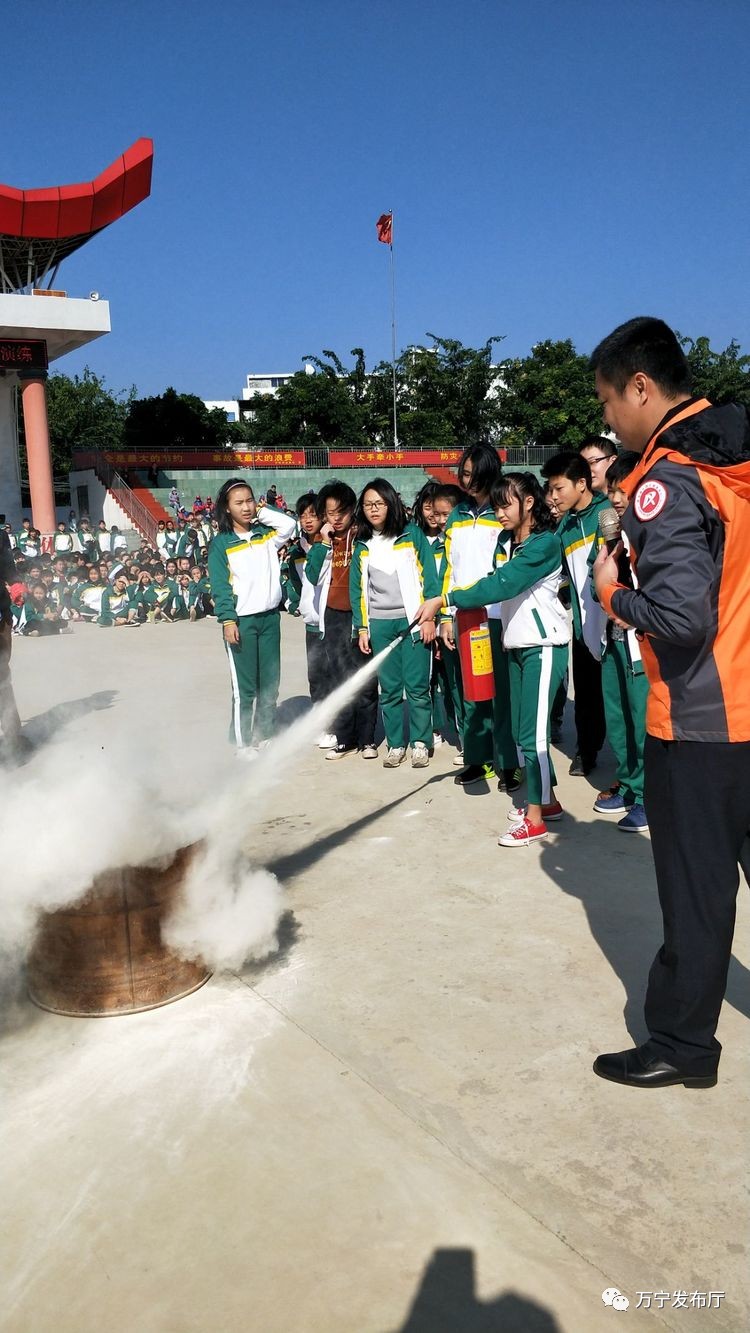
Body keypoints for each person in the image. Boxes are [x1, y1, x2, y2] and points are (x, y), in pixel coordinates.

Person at [590, 315, 750, 1090]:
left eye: (609, 401)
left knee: (695, 892)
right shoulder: (733, 456)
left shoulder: (667, 479)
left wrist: (613, 591)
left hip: (700, 721)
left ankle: (683, 1046)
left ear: (642, 387)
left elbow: (684, 616)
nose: (607, 420)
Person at [418, 473, 569, 845]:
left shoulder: (544, 545)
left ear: (529, 503)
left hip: (542, 646)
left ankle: (535, 819)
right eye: (497, 505)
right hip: (514, 645)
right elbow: (493, 581)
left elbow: (503, 585)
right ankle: (546, 801)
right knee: (521, 732)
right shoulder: (507, 542)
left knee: (533, 737)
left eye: (505, 505)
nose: (499, 513)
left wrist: (446, 599)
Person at [441, 443, 518, 791]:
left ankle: (509, 763)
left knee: (502, 693)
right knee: (472, 692)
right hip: (465, 616)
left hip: (499, 616)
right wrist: (445, 615)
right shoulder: (457, 515)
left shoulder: (503, 514)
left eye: (473, 473)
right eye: (464, 473)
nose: (467, 480)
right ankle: (478, 759)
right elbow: (449, 569)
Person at [350, 479, 439, 768]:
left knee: (416, 687)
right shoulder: (362, 544)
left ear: (391, 504)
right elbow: (358, 590)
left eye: (379, 503)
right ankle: (396, 744)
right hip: (380, 624)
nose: (373, 509)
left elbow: (430, 579)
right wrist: (363, 627)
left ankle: (420, 743)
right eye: (367, 505)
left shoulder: (411, 536)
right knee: (388, 689)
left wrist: (429, 618)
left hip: (413, 621)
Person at [207, 478, 296, 754]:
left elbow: (289, 525)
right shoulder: (221, 545)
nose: (246, 507)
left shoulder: (266, 536)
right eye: (239, 503)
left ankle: (265, 733)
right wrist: (228, 620)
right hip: (242, 622)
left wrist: (261, 511)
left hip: (270, 619)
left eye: (249, 501)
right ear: (226, 508)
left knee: (270, 683)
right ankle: (243, 743)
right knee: (245, 689)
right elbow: (220, 586)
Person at [589, 451, 649, 832]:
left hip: (641, 641)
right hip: (612, 638)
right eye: (612, 490)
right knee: (619, 716)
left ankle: (648, 796)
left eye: (623, 489)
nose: (615, 498)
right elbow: (598, 587)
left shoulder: (651, 533)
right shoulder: (610, 535)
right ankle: (628, 785)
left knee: (642, 719)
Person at [541, 452, 608, 777]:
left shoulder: (608, 513)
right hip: (583, 626)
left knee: (622, 700)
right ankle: (587, 751)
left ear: (581, 484)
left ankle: (634, 777)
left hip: (617, 623)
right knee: (586, 695)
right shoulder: (564, 528)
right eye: (550, 490)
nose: (553, 497)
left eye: (558, 488)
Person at [304, 480, 379, 760]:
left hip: (360, 616)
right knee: (338, 679)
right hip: (333, 617)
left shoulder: (364, 537)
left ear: (352, 510)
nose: (335, 518)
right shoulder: (323, 542)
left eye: (341, 512)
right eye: (329, 513)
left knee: (365, 677)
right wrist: (323, 543)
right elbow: (312, 576)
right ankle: (345, 737)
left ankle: (368, 739)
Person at [283, 493, 334, 748]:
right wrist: (297, 604)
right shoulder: (296, 552)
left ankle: (340, 725)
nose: (307, 520)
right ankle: (321, 725)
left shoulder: (334, 545)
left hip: (335, 619)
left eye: (312, 514)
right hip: (312, 623)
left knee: (337, 673)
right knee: (316, 676)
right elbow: (294, 582)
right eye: (302, 515)